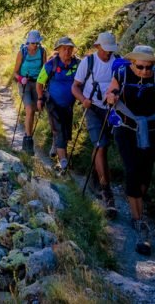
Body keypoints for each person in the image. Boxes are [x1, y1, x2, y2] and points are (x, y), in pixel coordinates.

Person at [105, 45, 155, 255]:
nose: (146, 71)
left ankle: (138, 200)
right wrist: (111, 97)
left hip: (152, 131)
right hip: (126, 129)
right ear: (132, 62)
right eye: (141, 67)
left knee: (145, 173)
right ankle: (138, 218)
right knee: (132, 170)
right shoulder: (122, 72)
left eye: (149, 67)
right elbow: (110, 92)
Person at [71, 31, 120, 218]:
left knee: (103, 147)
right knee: (100, 145)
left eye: (110, 50)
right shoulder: (88, 62)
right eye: (105, 49)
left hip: (112, 110)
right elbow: (75, 86)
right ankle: (107, 192)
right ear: (98, 46)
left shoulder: (118, 62)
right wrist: (83, 99)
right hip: (92, 108)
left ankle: (94, 179)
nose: (108, 53)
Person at [36, 37, 80, 175]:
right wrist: (39, 98)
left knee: (66, 131)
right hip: (53, 103)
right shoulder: (50, 65)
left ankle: (58, 148)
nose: (67, 51)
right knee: (60, 130)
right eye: (64, 49)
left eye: (70, 49)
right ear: (58, 50)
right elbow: (39, 82)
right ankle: (63, 162)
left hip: (69, 104)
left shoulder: (78, 64)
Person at [13, 30, 46, 155]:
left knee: (38, 109)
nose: (35, 46)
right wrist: (21, 78)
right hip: (25, 84)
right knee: (30, 109)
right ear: (28, 42)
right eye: (33, 43)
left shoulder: (42, 52)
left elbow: (45, 69)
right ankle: (28, 140)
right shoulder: (22, 52)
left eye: (37, 43)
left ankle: (31, 137)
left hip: (38, 83)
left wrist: (43, 83)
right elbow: (15, 72)